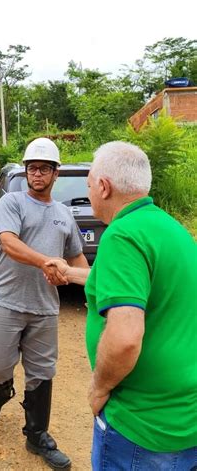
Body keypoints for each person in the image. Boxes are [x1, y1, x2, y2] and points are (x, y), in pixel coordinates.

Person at [45, 141, 197, 470]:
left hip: (143, 424)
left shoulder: (122, 235)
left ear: (103, 186)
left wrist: (99, 388)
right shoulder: (171, 229)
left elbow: (126, 336)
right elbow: (136, 287)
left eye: (88, 186)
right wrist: (70, 273)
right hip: (186, 415)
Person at [0, 137, 88, 470]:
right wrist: (46, 262)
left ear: (56, 173)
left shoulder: (63, 214)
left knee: (43, 373)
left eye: (44, 168)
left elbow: (77, 260)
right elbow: (9, 244)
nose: (37, 173)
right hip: (5, 300)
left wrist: (99, 288)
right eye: (32, 168)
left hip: (44, 308)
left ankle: (37, 434)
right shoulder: (11, 203)